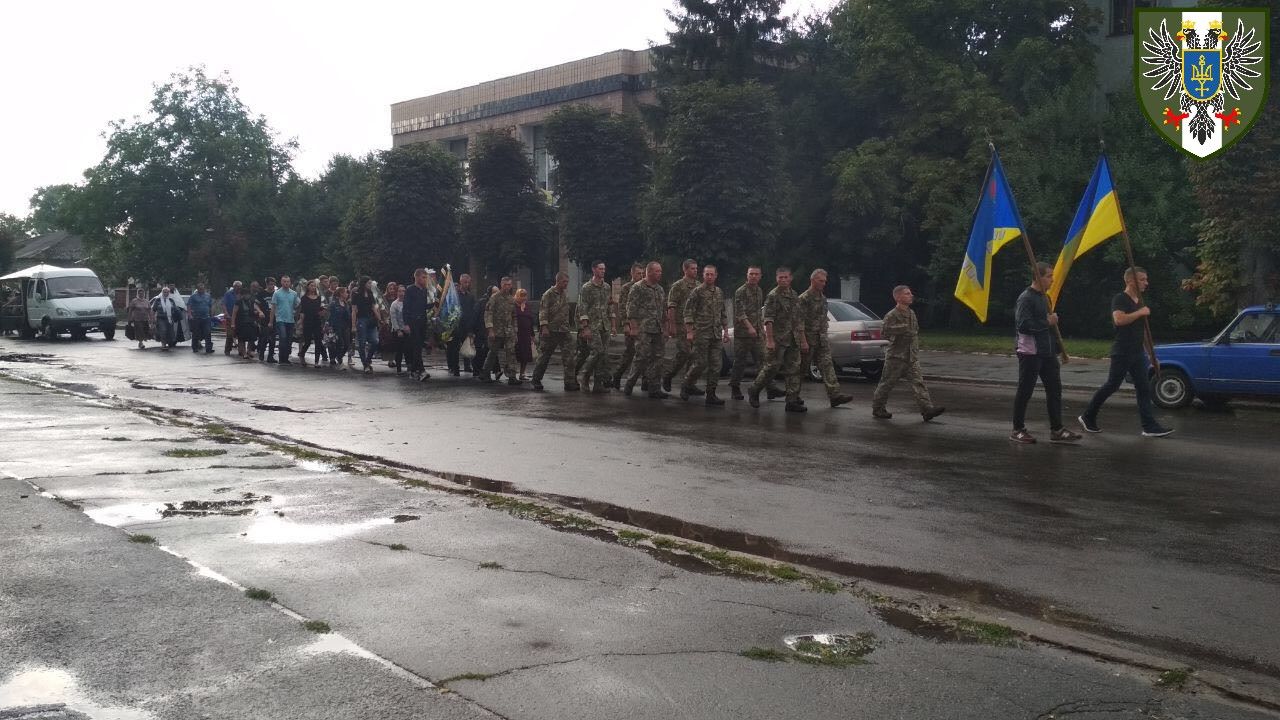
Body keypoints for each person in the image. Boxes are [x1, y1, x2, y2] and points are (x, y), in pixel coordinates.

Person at [1078, 267, 1173, 438]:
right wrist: (1140, 313)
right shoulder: (1120, 299)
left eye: (1146, 279)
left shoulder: (1139, 301)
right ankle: (1087, 416)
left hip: (1137, 353)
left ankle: (1149, 426)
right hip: (1122, 351)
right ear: (1130, 281)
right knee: (1112, 385)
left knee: (1144, 388)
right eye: (1142, 279)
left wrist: (1152, 357)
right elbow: (1119, 320)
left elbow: (1144, 332)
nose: (1146, 283)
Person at [1012, 263, 1082, 444]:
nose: (1052, 279)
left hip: (1048, 352)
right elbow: (1023, 326)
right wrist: (1047, 321)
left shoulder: (1046, 298)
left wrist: (1060, 350)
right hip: (1030, 352)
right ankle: (1017, 429)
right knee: (1025, 391)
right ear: (1038, 276)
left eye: (1052, 276)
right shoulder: (1025, 298)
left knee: (1055, 390)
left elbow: (1051, 329)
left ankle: (1057, 430)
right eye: (1049, 276)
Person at [872, 286, 945, 421]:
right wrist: (902, 329)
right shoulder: (891, 315)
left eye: (910, 293)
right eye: (907, 294)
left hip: (911, 357)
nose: (911, 295)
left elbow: (914, 333)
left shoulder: (911, 313)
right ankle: (878, 408)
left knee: (919, 383)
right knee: (887, 384)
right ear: (898, 297)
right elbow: (884, 332)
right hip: (896, 358)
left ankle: (927, 409)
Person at [749, 267, 807, 413]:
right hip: (778, 339)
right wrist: (769, 340)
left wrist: (803, 340)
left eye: (785, 277)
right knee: (771, 368)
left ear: (790, 278)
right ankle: (754, 390)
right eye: (780, 277)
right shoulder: (773, 296)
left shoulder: (794, 295)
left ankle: (791, 401)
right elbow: (768, 320)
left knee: (793, 369)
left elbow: (799, 320)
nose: (783, 280)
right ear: (776, 279)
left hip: (793, 339)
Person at [797, 269, 854, 408]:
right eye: (820, 281)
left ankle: (834, 395)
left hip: (821, 339)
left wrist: (825, 336)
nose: (823, 283)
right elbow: (799, 322)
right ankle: (792, 397)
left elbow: (823, 319)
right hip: (807, 340)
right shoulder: (803, 299)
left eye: (824, 281)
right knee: (800, 370)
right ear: (813, 280)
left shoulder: (822, 298)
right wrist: (803, 341)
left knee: (828, 366)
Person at [679, 264, 730, 405]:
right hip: (701, 333)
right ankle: (686, 384)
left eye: (711, 274)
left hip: (716, 334)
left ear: (716, 275)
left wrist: (725, 331)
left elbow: (723, 313)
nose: (709, 276)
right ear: (703, 275)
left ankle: (711, 394)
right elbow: (688, 312)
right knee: (700, 363)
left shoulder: (719, 292)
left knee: (716, 365)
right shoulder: (697, 291)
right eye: (706, 274)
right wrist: (689, 331)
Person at [625, 261, 670, 399]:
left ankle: (654, 388)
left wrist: (666, 329)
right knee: (641, 357)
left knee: (658, 359)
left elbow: (663, 311)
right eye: (657, 271)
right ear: (649, 272)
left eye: (660, 271)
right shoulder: (638, 287)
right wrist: (633, 327)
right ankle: (629, 384)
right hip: (643, 328)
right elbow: (631, 309)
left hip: (657, 329)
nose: (660, 274)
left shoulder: (660, 289)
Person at [731, 266, 770, 400]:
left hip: (757, 333)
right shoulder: (741, 291)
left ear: (760, 276)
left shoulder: (759, 290)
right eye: (751, 274)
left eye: (756, 274)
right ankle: (735, 387)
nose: (753, 276)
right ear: (747, 275)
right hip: (743, 334)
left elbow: (759, 312)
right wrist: (749, 327)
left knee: (764, 360)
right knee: (740, 362)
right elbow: (740, 313)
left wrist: (761, 329)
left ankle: (769, 387)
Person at [531, 272, 574, 391]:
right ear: (558, 281)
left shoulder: (564, 295)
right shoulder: (548, 294)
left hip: (564, 330)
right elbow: (543, 311)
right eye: (564, 282)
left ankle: (569, 382)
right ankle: (536, 379)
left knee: (569, 356)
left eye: (567, 282)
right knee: (544, 356)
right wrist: (544, 327)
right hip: (550, 330)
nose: (566, 284)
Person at [663, 259, 700, 394]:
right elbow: (671, 307)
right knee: (684, 353)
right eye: (692, 269)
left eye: (696, 268)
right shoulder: (678, 286)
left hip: (695, 326)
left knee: (694, 356)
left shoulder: (699, 285)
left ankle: (690, 383)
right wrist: (671, 325)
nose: (695, 271)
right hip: (681, 325)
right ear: (685, 270)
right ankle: (668, 375)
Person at [578, 261, 613, 393]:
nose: (603, 271)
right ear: (593, 270)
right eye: (600, 269)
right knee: (596, 352)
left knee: (603, 355)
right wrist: (585, 327)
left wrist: (613, 324)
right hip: (592, 325)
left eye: (604, 269)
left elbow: (608, 306)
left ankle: (598, 384)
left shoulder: (607, 287)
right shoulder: (587, 287)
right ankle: (585, 377)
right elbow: (582, 308)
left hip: (605, 325)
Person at [612, 263, 646, 389]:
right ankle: (617, 376)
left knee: (645, 353)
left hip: (644, 326)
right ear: (632, 273)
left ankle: (645, 381)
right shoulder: (627, 288)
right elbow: (622, 307)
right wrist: (626, 325)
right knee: (630, 353)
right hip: (632, 326)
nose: (641, 276)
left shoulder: (645, 287)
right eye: (638, 273)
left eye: (643, 273)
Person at [482, 277, 517, 385]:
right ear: (501, 285)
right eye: (505, 284)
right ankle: (485, 373)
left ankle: (512, 376)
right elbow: (488, 313)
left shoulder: (512, 299)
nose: (507, 287)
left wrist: (515, 330)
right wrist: (490, 329)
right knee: (493, 352)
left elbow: (514, 316)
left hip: (509, 330)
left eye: (509, 285)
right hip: (497, 330)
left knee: (511, 352)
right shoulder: (495, 297)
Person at [403, 269, 431, 381]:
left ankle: (413, 370)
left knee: (418, 347)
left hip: (422, 321)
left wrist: (436, 304)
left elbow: (424, 306)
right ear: (417, 277)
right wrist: (406, 324)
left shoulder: (424, 290)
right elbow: (406, 308)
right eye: (424, 277)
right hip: (413, 322)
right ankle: (422, 370)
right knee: (417, 346)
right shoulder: (410, 290)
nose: (425, 280)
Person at [447, 273, 477, 376]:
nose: (467, 284)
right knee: (454, 348)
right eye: (465, 282)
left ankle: (467, 366)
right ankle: (455, 368)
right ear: (460, 282)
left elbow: (473, 311)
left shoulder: (471, 296)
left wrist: (471, 328)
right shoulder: (454, 295)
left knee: (467, 345)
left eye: (468, 282)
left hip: (467, 325)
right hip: (456, 325)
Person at [352, 276, 381, 373]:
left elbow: (374, 307)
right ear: (364, 283)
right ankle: (365, 364)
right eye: (368, 283)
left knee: (375, 341)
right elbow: (354, 310)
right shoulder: (356, 294)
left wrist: (379, 319)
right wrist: (353, 325)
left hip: (371, 319)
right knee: (362, 342)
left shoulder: (370, 293)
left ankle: (368, 360)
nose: (370, 285)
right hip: (361, 319)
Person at [270, 276, 300, 365]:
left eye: (288, 281)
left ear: (290, 282)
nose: (286, 283)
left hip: (290, 319)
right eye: (284, 281)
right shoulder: (277, 293)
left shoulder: (294, 294)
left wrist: (297, 315)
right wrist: (271, 321)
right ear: (281, 282)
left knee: (289, 339)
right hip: (280, 319)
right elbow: (273, 307)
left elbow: (297, 305)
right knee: (283, 337)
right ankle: (281, 357)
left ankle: (286, 358)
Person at [296, 280, 326, 367]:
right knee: (308, 341)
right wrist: (301, 322)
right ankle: (302, 353)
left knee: (318, 341)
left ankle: (316, 362)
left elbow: (321, 309)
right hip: (307, 321)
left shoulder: (319, 298)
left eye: (314, 286)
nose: (313, 287)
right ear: (308, 287)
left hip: (317, 321)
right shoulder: (304, 298)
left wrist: (322, 311)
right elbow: (303, 311)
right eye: (311, 286)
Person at [230, 284, 261, 359]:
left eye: (248, 294)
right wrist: (233, 323)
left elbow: (255, 309)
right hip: (241, 322)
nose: (247, 296)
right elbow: (234, 313)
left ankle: (249, 350)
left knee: (251, 338)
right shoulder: (238, 302)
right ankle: (244, 353)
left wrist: (257, 312)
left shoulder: (252, 301)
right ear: (242, 295)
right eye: (245, 294)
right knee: (242, 339)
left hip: (251, 322)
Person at [327, 286, 352, 368]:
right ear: (341, 293)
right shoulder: (334, 303)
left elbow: (348, 316)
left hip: (345, 326)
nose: (347, 294)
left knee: (346, 344)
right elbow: (329, 315)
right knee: (335, 342)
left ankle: (339, 356)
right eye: (346, 292)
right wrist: (329, 326)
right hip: (335, 325)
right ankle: (332, 358)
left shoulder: (346, 303)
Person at [514, 288, 535, 381]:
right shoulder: (513, 306)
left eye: (525, 296)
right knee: (515, 353)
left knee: (525, 354)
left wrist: (532, 334)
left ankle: (522, 373)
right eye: (521, 296)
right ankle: (512, 373)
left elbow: (530, 320)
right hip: (516, 333)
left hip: (526, 334)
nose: (523, 298)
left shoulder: (527, 306)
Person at [186, 282, 214, 354]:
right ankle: (195, 348)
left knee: (208, 332)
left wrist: (211, 315)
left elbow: (210, 306)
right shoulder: (193, 296)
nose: (202, 290)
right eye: (200, 289)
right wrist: (190, 315)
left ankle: (209, 348)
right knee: (196, 333)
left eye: (203, 288)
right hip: (196, 317)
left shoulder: (208, 296)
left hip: (206, 317)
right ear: (198, 289)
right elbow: (189, 306)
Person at [151, 286, 181, 350]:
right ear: (162, 292)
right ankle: (163, 345)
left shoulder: (171, 300)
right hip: (161, 318)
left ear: (169, 293)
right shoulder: (158, 300)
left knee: (170, 332)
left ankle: (168, 343)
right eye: (164, 292)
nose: (166, 293)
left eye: (167, 292)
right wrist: (153, 319)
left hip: (170, 319)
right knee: (163, 330)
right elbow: (153, 310)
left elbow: (175, 309)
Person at [256, 278, 278, 363]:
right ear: (267, 284)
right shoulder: (261, 293)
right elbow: (256, 304)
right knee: (265, 336)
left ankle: (270, 356)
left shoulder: (276, 294)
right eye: (270, 284)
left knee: (273, 338)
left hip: (274, 317)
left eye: (273, 284)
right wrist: (260, 311)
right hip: (264, 317)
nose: (272, 286)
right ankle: (261, 352)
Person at [389, 284, 408, 373]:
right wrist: (398, 330)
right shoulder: (394, 304)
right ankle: (399, 368)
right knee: (399, 350)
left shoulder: (408, 302)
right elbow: (393, 318)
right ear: (397, 292)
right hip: (398, 330)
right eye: (400, 291)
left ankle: (410, 366)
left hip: (407, 329)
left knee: (408, 349)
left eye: (403, 291)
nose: (402, 293)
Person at [222, 281, 241, 355]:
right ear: (234, 286)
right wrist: (226, 313)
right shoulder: (228, 294)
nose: (238, 288)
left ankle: (241, 350)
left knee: (240, 335)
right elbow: (223, 304)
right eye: (237, 286)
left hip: (239, 317)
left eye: (239, 287)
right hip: (230, 317)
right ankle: (227, 350)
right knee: (230, 335)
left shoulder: (241, 294)